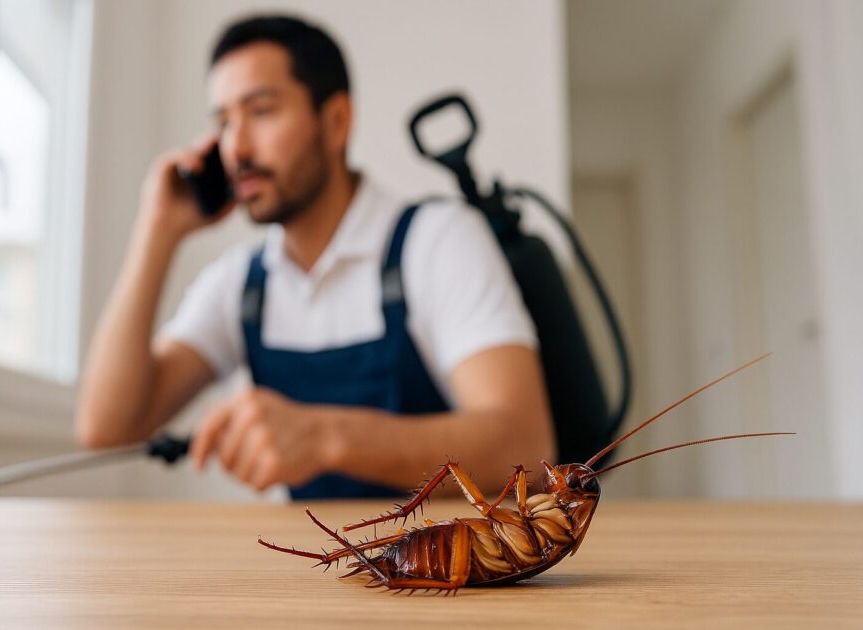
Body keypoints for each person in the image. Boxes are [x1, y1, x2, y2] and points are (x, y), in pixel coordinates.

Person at [75, 15, 553, 499]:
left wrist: (328, 437)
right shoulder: (240, 284)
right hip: (312, 551)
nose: (236, 148)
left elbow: (527, 449)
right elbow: (107, 427)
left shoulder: (438, 240)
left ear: (336, 121)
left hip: (439, 549)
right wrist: (157, 231)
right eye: (223, 123)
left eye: (261, 111)